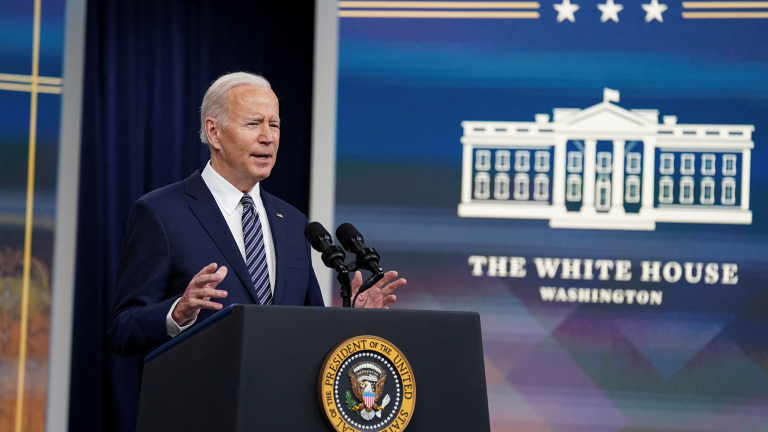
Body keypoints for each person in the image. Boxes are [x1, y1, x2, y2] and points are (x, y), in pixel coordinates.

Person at [107, 72, 406, 356]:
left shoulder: (293, 223)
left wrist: (350, 319)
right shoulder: (161, 212)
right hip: (201, 403)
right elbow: (122, 329)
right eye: (253, 124)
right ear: (214, 132)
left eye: (274, 125)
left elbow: (306, 325)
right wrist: (178, 312)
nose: (268, 137)